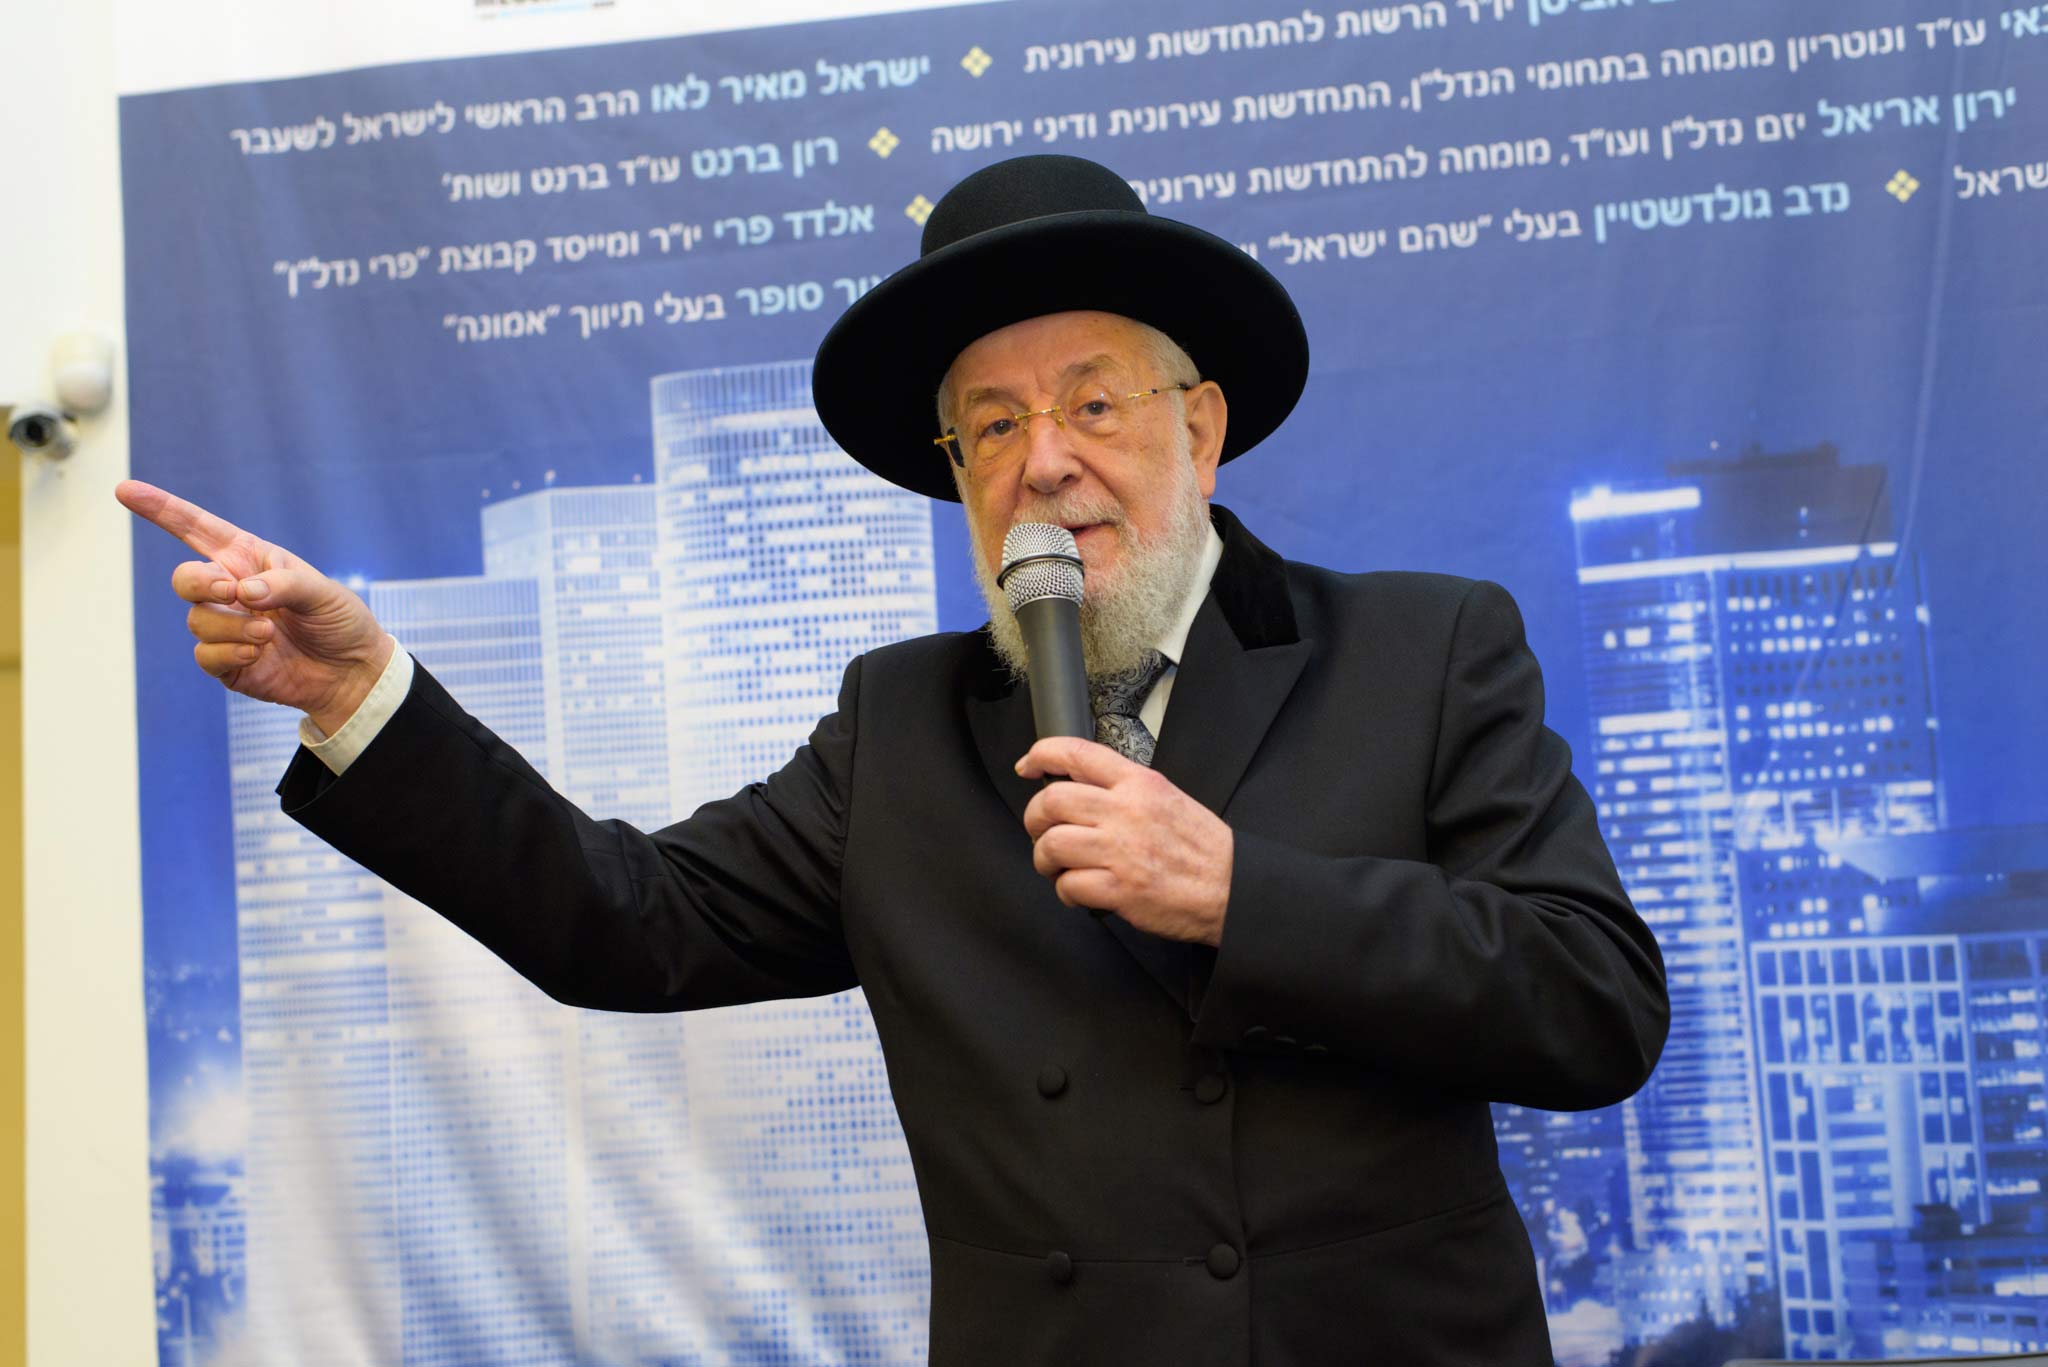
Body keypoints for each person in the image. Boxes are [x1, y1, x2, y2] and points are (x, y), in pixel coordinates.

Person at [119, 154, 1668, 1366]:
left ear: (1198, 428)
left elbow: (1593, 1001)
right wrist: (365, 694)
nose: (1043, 463)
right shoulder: (903, 730)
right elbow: (620, 920)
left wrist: (1237, 893)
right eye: (989, 428)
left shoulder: (1422, 650)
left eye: (1092, 403)